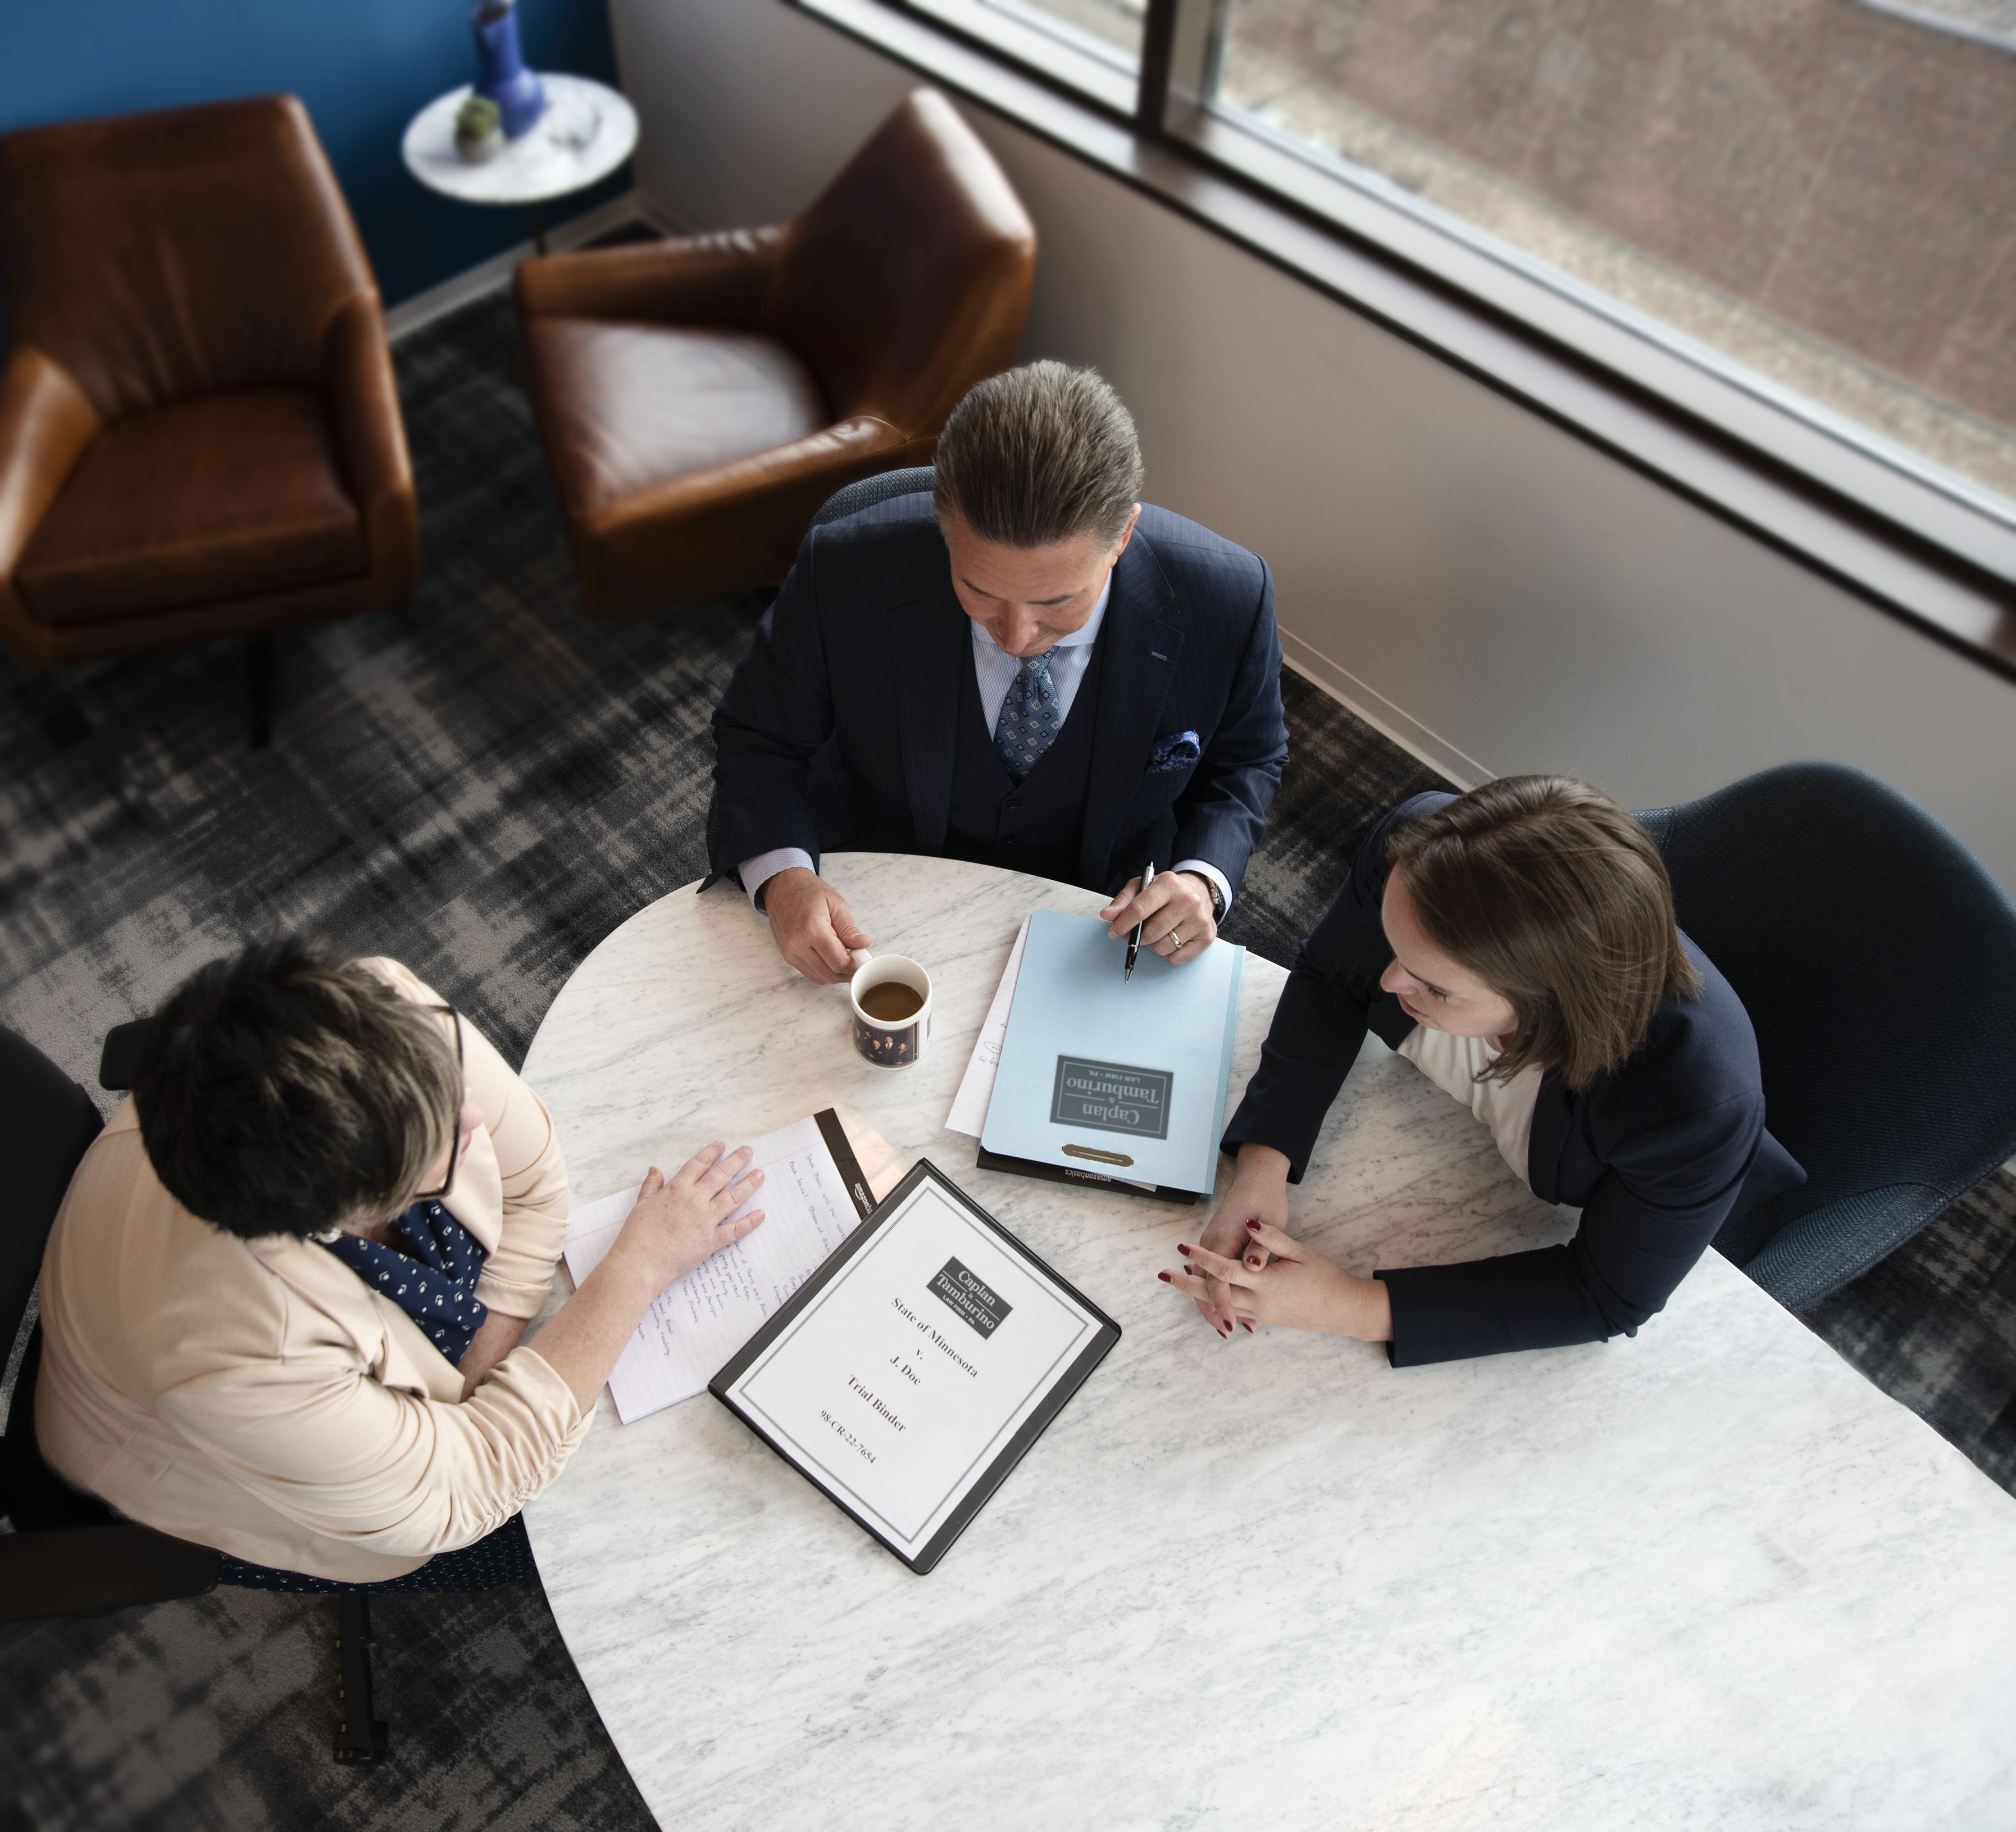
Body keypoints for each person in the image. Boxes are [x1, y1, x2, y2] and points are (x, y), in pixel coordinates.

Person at [35, 937, 766, 1586]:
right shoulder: (230, 1355)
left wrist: (477, 1383)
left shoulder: (382, 1019)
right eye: (438, 1146)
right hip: (205, 1462)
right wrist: (636, 1268)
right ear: (341, 1213)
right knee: (584, 1529)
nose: (472, 1117)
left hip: (280, 1288)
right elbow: (466, 1489)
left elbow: (535, 1175)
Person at [1161, 777, 1805, 1363]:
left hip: (1653, 1210)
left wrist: (1352, 1306)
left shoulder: (1691, 1103)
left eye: (1433, 987)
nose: (1386, 981)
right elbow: (1334, 978)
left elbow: (1605, 1297)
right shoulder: (1419, 854)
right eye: (1395, 950)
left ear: (1548, 1000)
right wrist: (1262, 1165)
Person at [710, 361, 1289, 985]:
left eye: (1056, 602)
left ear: (1122, 535)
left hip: (1098, 917)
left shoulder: (1230, 598)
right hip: (881, 892)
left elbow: (1246, 763)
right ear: (943, 528)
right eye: (977, 588)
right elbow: (759, 739)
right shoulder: (842, 570)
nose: (1014, 637)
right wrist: (784, 877)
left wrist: (1205, 877)